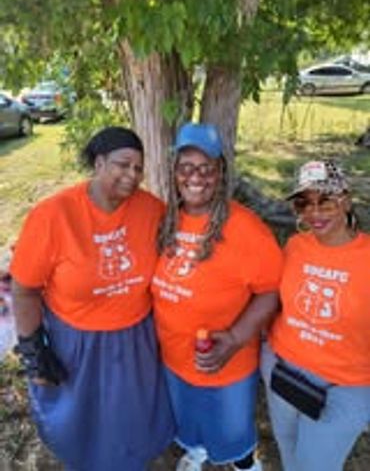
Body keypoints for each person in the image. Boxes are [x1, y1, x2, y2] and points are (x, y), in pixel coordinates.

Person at [10, 127, 174, 471]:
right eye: (123, 164)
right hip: (75, 340)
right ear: (99, 163)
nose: (132, 175)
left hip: (135, 338)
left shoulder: (152, 209)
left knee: (131, 420)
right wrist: (33, 352)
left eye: (138, 168)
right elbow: (24, 289)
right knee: (81, 424)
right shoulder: (54, 215)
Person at [152, 122, 283, 471]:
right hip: (175, 357)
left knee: (231, 426)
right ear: (174, 172)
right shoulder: (165, 220)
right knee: (190, 418)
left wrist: (237, 338)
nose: (196, 177)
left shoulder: (246, 228)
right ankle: (196, 450)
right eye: (186, 167)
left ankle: (244, 464)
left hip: (227, 360)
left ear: (220, 172)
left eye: (206, 168)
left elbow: (270, 292)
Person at [261, 160, 370, 471]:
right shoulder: (295, 246)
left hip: (343, 388)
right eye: (303, 203)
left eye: (325, 200)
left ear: (346, 200)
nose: (314, 212)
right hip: (282, 369)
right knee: (288, 449)